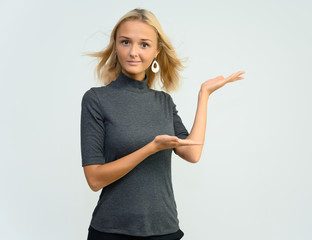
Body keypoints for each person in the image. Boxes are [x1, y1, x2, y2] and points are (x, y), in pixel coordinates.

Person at [80, 8, 245, 240]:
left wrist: (204, 95)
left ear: (157, 51)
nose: (134, 52)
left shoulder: (163, 101)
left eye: (144, 45)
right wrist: (151, 148)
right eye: (125, 42)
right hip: (112, 232)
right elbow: (94, 179)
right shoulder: (96, 99)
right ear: (115, 46)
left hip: (165, 230)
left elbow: (192, 152)